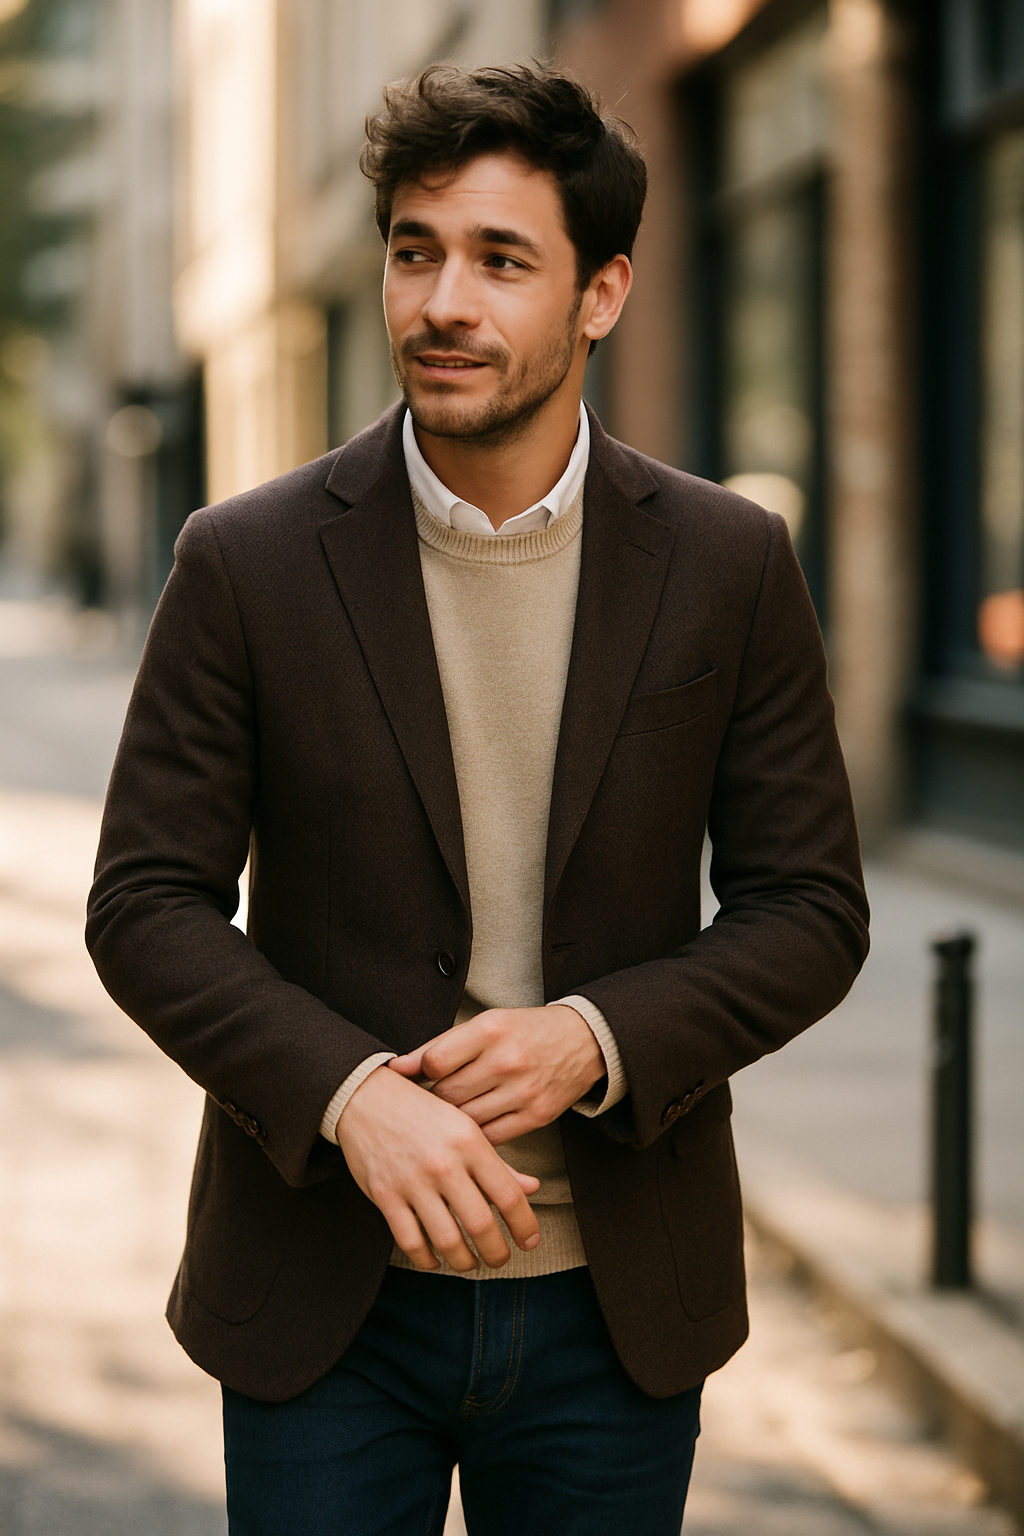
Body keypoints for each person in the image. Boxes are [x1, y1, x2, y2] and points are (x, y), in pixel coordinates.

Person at [87, 64, 869, 1536]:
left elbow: (811, 910)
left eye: (502, 259)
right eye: (414, 250)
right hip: (328, 1301)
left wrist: (599, 1039)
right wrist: (346, 1094)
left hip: (616, 1311)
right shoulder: (243, 563)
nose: (443, 300)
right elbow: (144, 904)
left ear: (603, 294)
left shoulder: (727, 562)